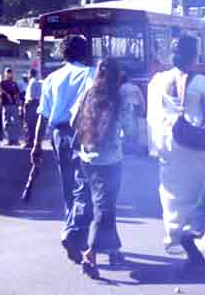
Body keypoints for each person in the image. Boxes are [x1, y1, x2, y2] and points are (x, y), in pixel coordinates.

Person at [146, 34, 205, 267]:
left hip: (170, 143)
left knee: (173, 194)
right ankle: (193, 233)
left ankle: (177, 234)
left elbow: (155, 115)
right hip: (195, 146)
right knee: (202, 192)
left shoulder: (160, 79)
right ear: (195, 55)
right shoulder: (202, 82)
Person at [30, 35, 95, 264]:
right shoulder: (90, 74)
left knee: (69, 186)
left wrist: (37, 144)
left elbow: (43, 115)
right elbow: (91, 106)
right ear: (84, 52)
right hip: (79, 132)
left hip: (57, 134)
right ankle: (72, 232)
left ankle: (78, 239)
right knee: (85, 187)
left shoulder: (52, 78)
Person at [71, 58, 126, 279]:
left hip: (86, 159)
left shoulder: (87, 93)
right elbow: (128, 126)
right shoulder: (118, 98)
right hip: (111, 160)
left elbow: (74, 118)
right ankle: (91, 254)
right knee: (104, 208)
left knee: (105, 204)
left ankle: (114, 250)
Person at [119, 72, 145, 154]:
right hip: (134, 109)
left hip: (124, 110)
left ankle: (127, 149)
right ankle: (133, 148)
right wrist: (142, 110)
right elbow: (141, 101)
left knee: (126, 130)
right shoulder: (135, 88)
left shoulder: (120, 88)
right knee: (134, 129)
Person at [0, 67, 21, 145]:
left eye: (10, 72)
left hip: (14, 105)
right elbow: (0, 90)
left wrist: (18, 101)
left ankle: (16, 140)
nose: (9, 73)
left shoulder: (14, 83)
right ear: (5, 73)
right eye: (7, 72)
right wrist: (6, 94)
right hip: (6, 105)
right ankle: (9, 139)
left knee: (16, 123)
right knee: (6, 123)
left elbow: (18, 93)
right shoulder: (2, 83)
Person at [23, 69, 41, 148]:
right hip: (36, 104)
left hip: (31, 104)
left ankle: (29, 141)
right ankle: (33, 141)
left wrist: (27, 105)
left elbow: (31, 96)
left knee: (29, 124)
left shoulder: (32, 83)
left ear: (30, 74)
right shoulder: (37, 82)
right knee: (34, 124)